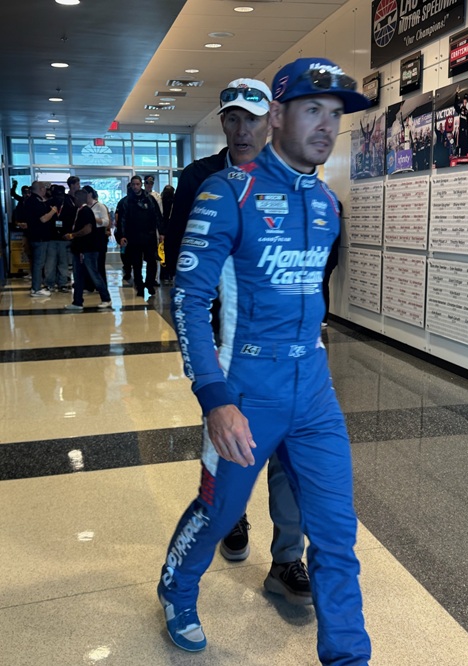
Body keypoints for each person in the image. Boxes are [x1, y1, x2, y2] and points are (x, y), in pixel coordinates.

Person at [158, 57, 371, 665]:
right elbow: (189, 301)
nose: (326, 126)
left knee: (336, 533)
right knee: (218, 511)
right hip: (247, 386)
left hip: (314, 390)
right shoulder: (228, 192)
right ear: (276, 115)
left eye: (335, 114)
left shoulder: (326, 202)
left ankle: (348, 655)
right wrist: (215, 398)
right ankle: (176, 589)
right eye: (312, 109)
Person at [164, 78, 311, 604]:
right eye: (232, 118)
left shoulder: (295, 176)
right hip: (227, 341)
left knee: (290, 457)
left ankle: (288, 560)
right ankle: (232, 516)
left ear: (271, 120)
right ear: (223, 122)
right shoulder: (201, 178)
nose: (242, 129)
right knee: (231, 443)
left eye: (252, 118)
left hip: (285, 343)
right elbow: (183, 260)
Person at [63, 189, 112, 311]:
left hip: (87, 249)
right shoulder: (79, 211)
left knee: (94, 274)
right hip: (80, 249)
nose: (73, 200)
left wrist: (73, 235)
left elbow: (88, 229)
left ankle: (106, 298)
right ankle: (77, 302)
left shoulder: (86, 211)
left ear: (79, 198)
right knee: (78, 276)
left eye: (75, 198)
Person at [118, 175, 163, 297]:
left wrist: (161, 232)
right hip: (134, 236)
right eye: (133, 184)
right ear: (131, 185)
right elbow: (122, 220)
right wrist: (122, 236)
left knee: (152, 262)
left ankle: (149, 283)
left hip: (149, 235)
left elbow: (157, 216)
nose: (135, 187)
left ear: (141, 185)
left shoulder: (150, 199)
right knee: (136, 263)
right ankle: (139, 286)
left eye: (137, 184)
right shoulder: (126, 201)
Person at [24, 181, 57, 297]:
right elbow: (43, 219)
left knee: (38, 263)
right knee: (39, 264)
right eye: (44, 188)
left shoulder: (31, 200)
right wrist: (53, 211)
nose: (45, 191)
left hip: (35, 236)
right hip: (39, 238)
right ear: (41, 189)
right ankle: (36, 288)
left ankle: (36, 286)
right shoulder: (35, 201)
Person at [82, 185, 111, 285]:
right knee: (88, 261)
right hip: (88, 235)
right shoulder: (84, 207)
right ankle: (89, 283)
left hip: (98, 236)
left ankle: (101, 284)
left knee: (99, 261)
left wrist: (94, 219)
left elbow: (106, 222)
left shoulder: (100, 206)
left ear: (90, 194)